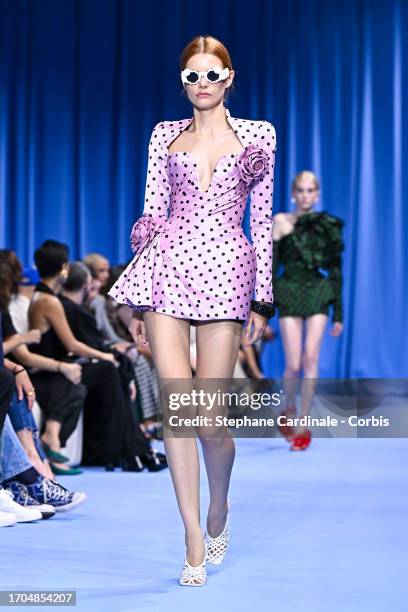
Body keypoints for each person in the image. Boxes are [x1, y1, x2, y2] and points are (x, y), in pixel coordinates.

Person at [108, 35, 277, 586]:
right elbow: (152, 212)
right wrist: (135, 297)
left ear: (230, 78)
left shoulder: (258, 135)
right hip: (168, 270)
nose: (201, 84)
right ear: (182, 83)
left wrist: (264, 299)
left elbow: (263, 220)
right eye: (191, 76)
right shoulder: (163, 135)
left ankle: (220, 503)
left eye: (211, 74)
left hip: (228, 270)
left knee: (209, 420)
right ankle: (192, 536)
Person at [272, 171, 344, 450]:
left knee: (311, 357)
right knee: (293, 364)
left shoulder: (328, 226)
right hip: (289, 290)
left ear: (317, 193)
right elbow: (271, 266)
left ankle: (303, 422)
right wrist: (264, 307)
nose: (305, 195)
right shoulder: (280, 222)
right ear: (293, 193)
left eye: (310, 190)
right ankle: (288, 407)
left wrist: (338, 313)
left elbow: (336, 270)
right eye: (300, 190)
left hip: (318, 291)